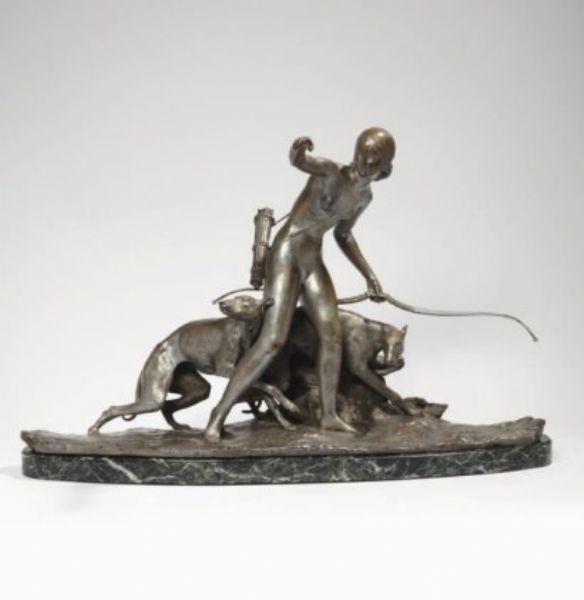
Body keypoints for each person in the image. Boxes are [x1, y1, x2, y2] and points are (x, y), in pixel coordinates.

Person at [205, 127, 396, 441]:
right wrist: (299, 150)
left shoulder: (364, 197)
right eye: (362, 153)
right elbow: (301, 162)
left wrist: (370, 276)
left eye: (374, 159)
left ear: (386, 166)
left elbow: (343, 235)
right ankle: (218, 415)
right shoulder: (330, 172)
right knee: (272, 340)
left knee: (332, 337)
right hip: (286, 254)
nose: (365, 162)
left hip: (312, 259)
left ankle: (329, 416)